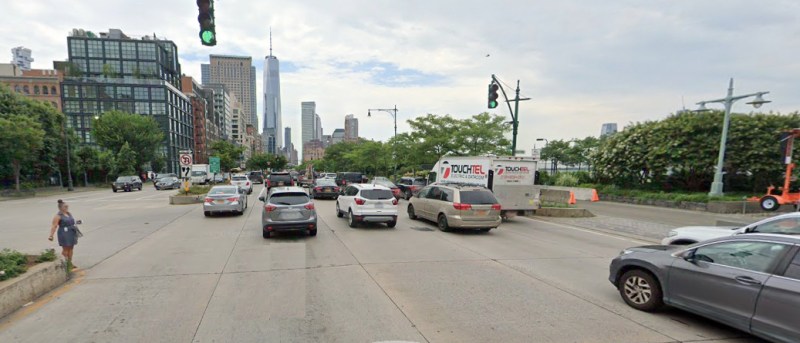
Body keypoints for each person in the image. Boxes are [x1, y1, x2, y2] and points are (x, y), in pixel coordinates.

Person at [48, 199, 81, 269]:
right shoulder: (58, 216)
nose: (67, 207)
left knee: (71, 248)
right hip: (64, 233)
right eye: (65, 206)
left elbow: (71, 221)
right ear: (60, 208)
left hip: (71, 232)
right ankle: (64, 264)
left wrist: (77, 222)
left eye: (67, 206)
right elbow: (54, 226)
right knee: (65, 249)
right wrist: (51, 235)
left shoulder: (69, 213)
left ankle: (70, 263)